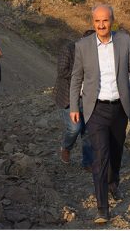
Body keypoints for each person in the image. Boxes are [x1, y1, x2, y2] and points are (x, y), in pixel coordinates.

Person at [70, 5, 130, 224]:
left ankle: (113, 183)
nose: (101, 25)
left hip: (120, 107)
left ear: (112, 21)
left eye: (105, 20)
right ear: (92, 22)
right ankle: (102, 208)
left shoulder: (124, 41)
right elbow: (76, 77)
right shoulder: (82, 46)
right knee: (100, 156)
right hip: (96, 109)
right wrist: (74, 106)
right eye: (97, 21)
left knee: (116, 152)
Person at [53, 31, 94, 169]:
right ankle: (66, 147)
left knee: (88, 131)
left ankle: (88, 162)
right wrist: (80, 75)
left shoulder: (98, 53)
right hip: (68, 97)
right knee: (74, 128)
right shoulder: (69, 49)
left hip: (87, 98)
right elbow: (62, 71)